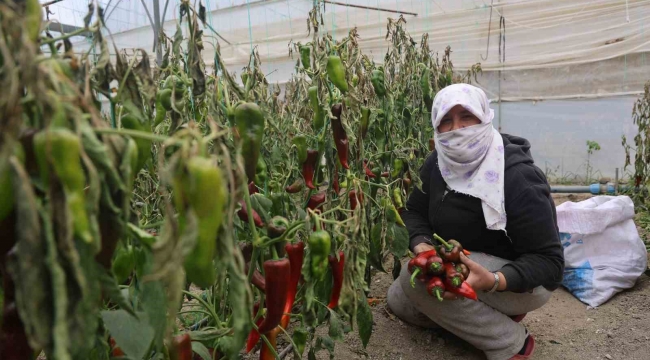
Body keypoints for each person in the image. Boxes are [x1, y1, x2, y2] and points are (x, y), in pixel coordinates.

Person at [386, 83, 564, 360]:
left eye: (466, 116)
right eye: (446, 120)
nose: (457, 128)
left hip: (518, 277)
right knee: (399, 299)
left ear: (484, 118)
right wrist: (421, 243)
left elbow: (550, 264)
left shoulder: (519, 177)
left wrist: (495, 281)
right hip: (463, 262)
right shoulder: (437, 163)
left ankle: (511, 343)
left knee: (416, 282)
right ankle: (490, 312)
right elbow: (414, 211)